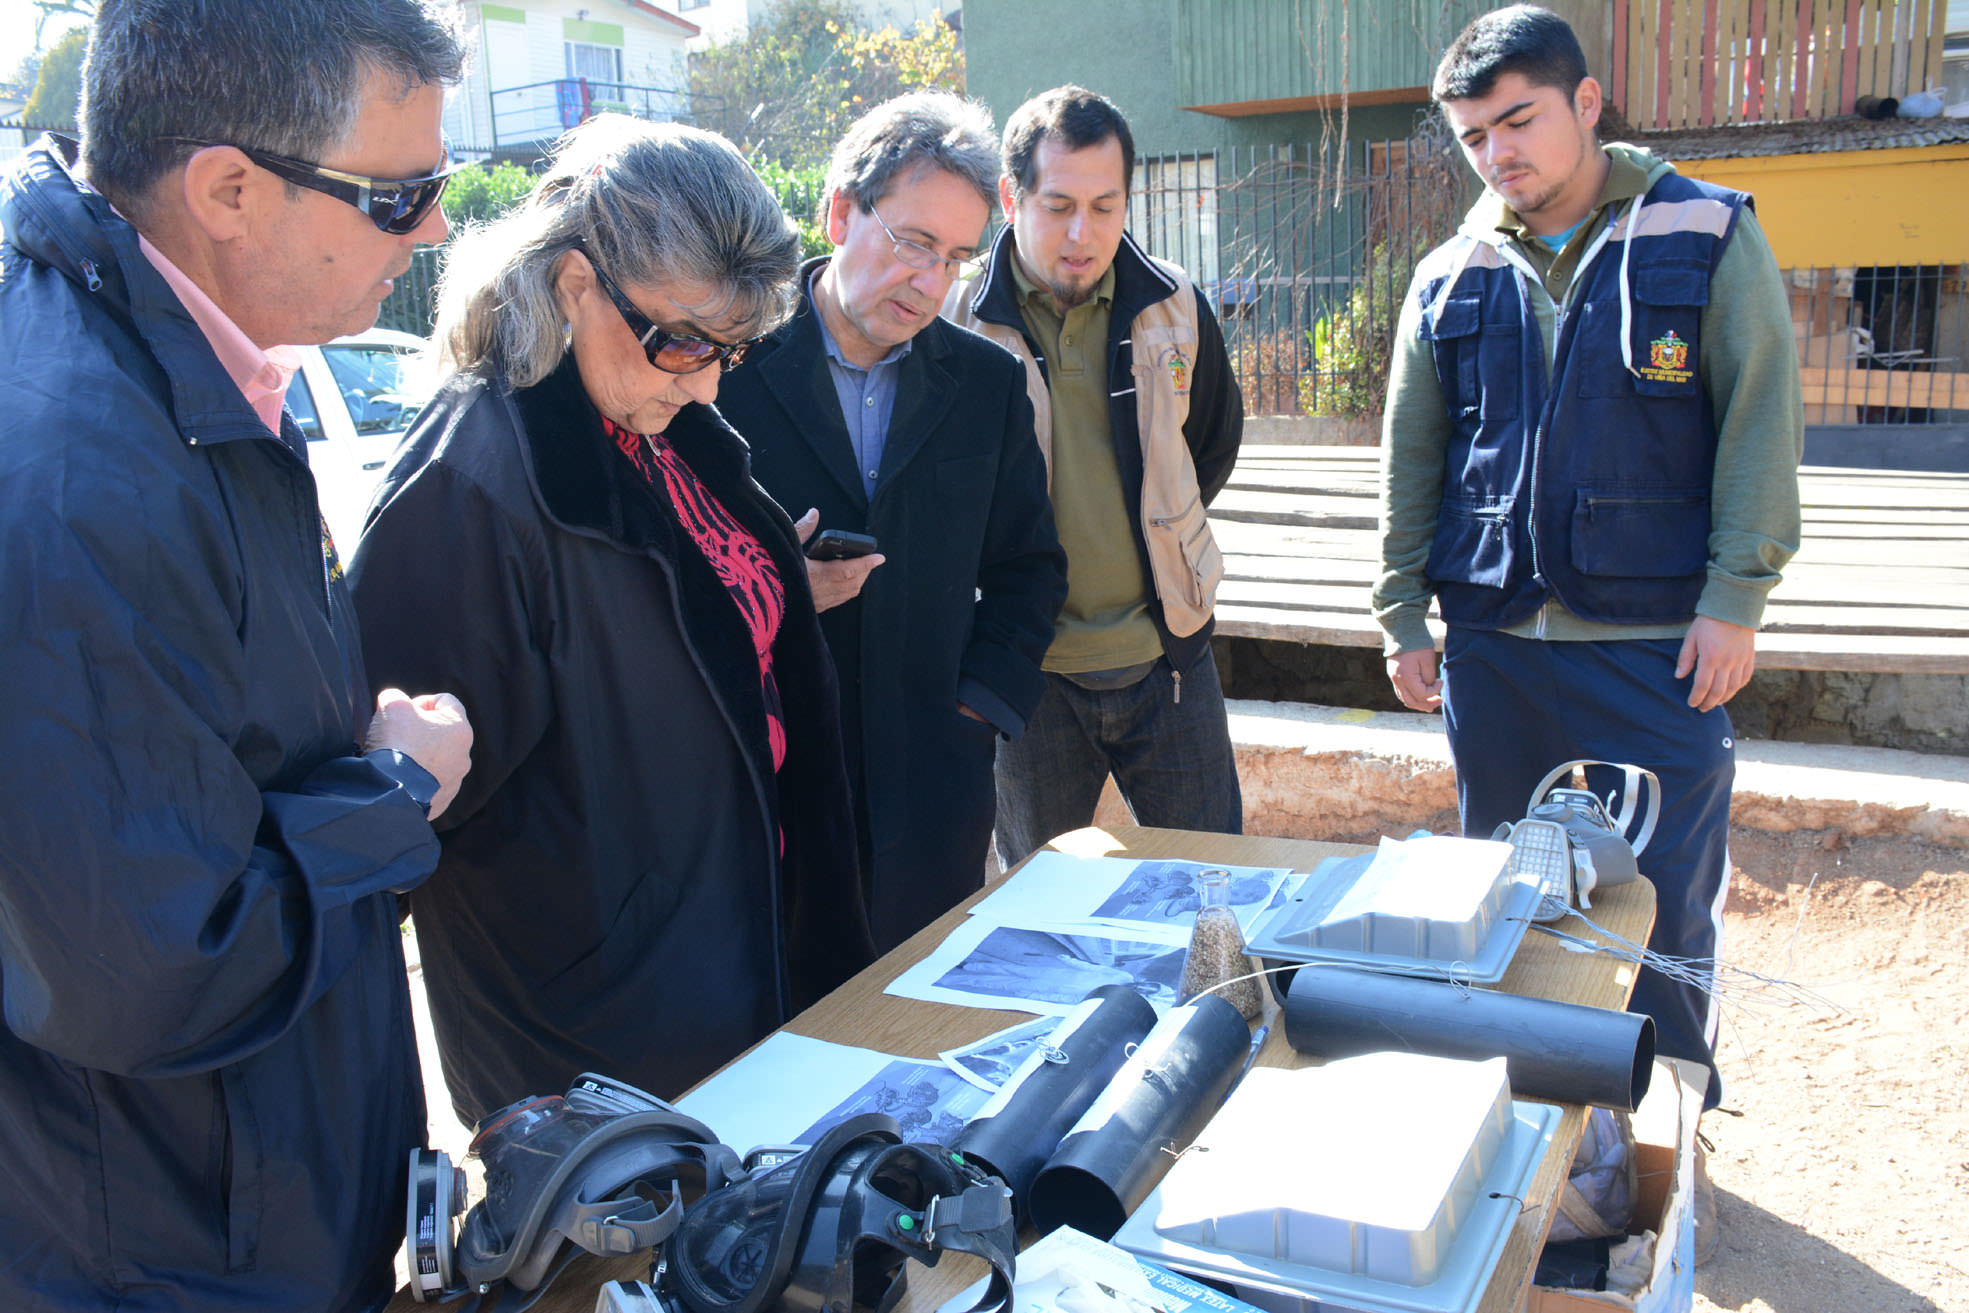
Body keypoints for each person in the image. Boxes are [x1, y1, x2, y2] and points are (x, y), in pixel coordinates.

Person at [0, 3, 474, 1310]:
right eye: (399, 195)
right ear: (226, 190)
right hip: (176, 1257)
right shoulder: (78, 474)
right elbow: (151, 965)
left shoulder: (168, 371)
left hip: (241, 1209)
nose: (436, 228)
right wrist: (394, 790)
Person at [349, 116, 873, 1128]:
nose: (706, 381)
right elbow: (401, 818)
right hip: (602, 1050)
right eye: (681, 341)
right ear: (573, 282)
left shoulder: (655, 417)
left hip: (742, 969)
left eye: (731, 350)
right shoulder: (469, 487)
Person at [1374, 5, 1802, 1124]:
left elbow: (1759, 420)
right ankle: (1530, 1127)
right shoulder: (1449, 271)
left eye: (1518, 121)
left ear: (1587, 103)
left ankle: (1666, 1128)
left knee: (1664, 902)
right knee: (1504, 895)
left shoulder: (1704, 231)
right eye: (1473, 136)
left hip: (1654, 645)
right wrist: (1401, 610)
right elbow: (1412, 451)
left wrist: (1736, 599)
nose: (1497, 153)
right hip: (1493, 644)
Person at [717, 92, 1066, 953]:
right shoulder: (724, 365)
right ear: (839, 212)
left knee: (922, 1012)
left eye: (954, 258)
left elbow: (1030, 569)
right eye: (912, 243)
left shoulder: (987, 384)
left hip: (933, 793)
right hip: (775, 787)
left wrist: (976, 708)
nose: (930, 282)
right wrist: (779, 590)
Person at [942, 86, 1246, 871]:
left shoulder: (1174, 306)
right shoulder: (953, 322)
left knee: (1215, 889)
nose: (1083, 234)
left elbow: (1208, 445)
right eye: (1058, 206)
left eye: (1105, 207)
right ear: (1010, 197)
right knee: (1038, 903)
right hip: (1026, 675)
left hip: (1169, 662)